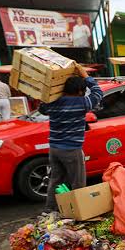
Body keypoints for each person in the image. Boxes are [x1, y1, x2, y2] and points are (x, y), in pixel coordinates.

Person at [39, 64, 103, 212]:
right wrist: (86, 76)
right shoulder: (81, 103)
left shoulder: (53, 103)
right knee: (78, 183)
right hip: (71, 150)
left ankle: (49, 210)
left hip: (54, 149)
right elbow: (98, 93)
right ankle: (79, 212)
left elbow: (42, 108)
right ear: (79, 91)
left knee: (56, 180)